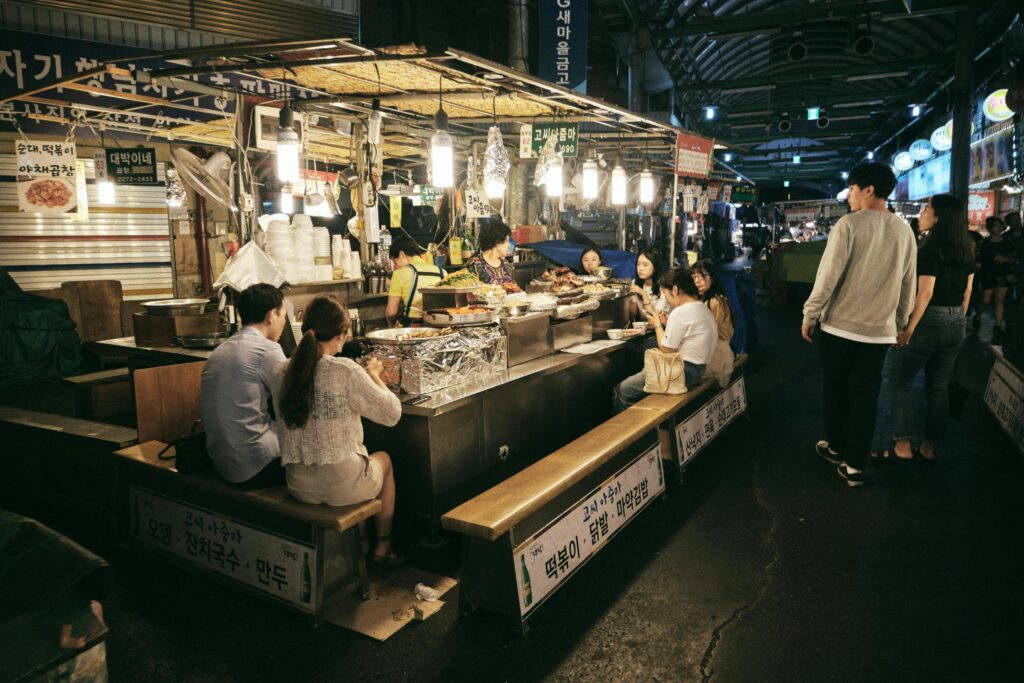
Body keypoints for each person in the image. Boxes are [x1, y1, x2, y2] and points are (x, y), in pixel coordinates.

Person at [802, 162, 916, 488]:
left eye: (852, 189)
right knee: (866, 398)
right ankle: (855, 468)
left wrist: (810, 315)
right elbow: (907, 283)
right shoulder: (904, 230)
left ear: (868, 189)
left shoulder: (848, 225)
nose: (849, 196)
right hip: (879, 333)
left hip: (838, 328)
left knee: (836, 391)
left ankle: (837, 447)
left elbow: (827, 277)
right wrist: (899, 323)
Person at [271, 295, 403, 564]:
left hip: (299, 485)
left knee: (356, 461)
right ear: (342, 335)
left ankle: (362, 541)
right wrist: (375, 375)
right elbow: (392, 413)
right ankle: (383, 548)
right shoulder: (344, 369)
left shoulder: (279, 372)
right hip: (343, 486)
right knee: (383, 461)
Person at [875, 194, 975, 464]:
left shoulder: (932, 249)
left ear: (939, 217)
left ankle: (903, 445)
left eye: (927, 209)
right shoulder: (967, 247)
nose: (922, 213)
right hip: (956, 322)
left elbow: (925, 293)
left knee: (899, 381)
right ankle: (930, 447)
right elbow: (968, 291)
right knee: (938, 388)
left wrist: (908, 328)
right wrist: (956, 321)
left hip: (929, 319)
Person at [200, 283, 288, 488]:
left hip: (222, 465)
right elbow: (292, 403)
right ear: (271, 315)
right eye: (283, 315)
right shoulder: (267, 350)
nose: (284, 322)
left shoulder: (219, 351)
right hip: (256, 467)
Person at [613, 269, 718, 412]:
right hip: (699, 369)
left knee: (623, 390)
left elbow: (667, 349)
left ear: (674, 290)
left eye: (665, 293)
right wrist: (668, 322)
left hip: (681, 372)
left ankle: (628, 431)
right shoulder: (701, 307)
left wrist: (657, 324)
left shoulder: (680, 312)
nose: (666, 298)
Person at [692, 260, 736, 387]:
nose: (697, 281)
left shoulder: (715, 302)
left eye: (702, 276)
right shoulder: (707, 299)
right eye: (694, 277)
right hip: (714, 353)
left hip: (715, 357)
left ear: (712, 277)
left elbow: (711, 335)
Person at [385, 236, 446, 326]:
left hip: (415, 328)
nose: (395, 267)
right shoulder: (442, 272)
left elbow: (391, 312)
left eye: (395, 262)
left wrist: (391, 325)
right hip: (442, 325)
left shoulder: (399, 274)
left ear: (402, 255)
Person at [977, 216, 1014, 343]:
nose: (998, 228)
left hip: (1003, 274)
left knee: (1000, 300)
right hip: (988, 274)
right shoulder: (985, 243)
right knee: (986, 299)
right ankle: (978, 315)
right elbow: (981, 258)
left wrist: (1006, 259)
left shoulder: (1007, 241)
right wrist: (993, 259)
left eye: (1000, 225)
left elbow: (1013, 256)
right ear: (990, 228)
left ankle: (997, 325)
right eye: (995, 225)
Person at [464, 221, 515, 286]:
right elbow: (462, 292)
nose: (509, 246)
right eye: (507, 241)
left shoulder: (506, 264)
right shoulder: (473, 264)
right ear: (498, 242)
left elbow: (514, 290)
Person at [629, 248, 669, 322]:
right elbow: (633, 314)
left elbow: (655, 317)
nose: (640, 268)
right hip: (643, 326)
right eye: (638, 264)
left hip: (661, 327)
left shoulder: (663, 286)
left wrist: (644, 294)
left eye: (645, 265)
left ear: (655, 268)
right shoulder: (635, 282)